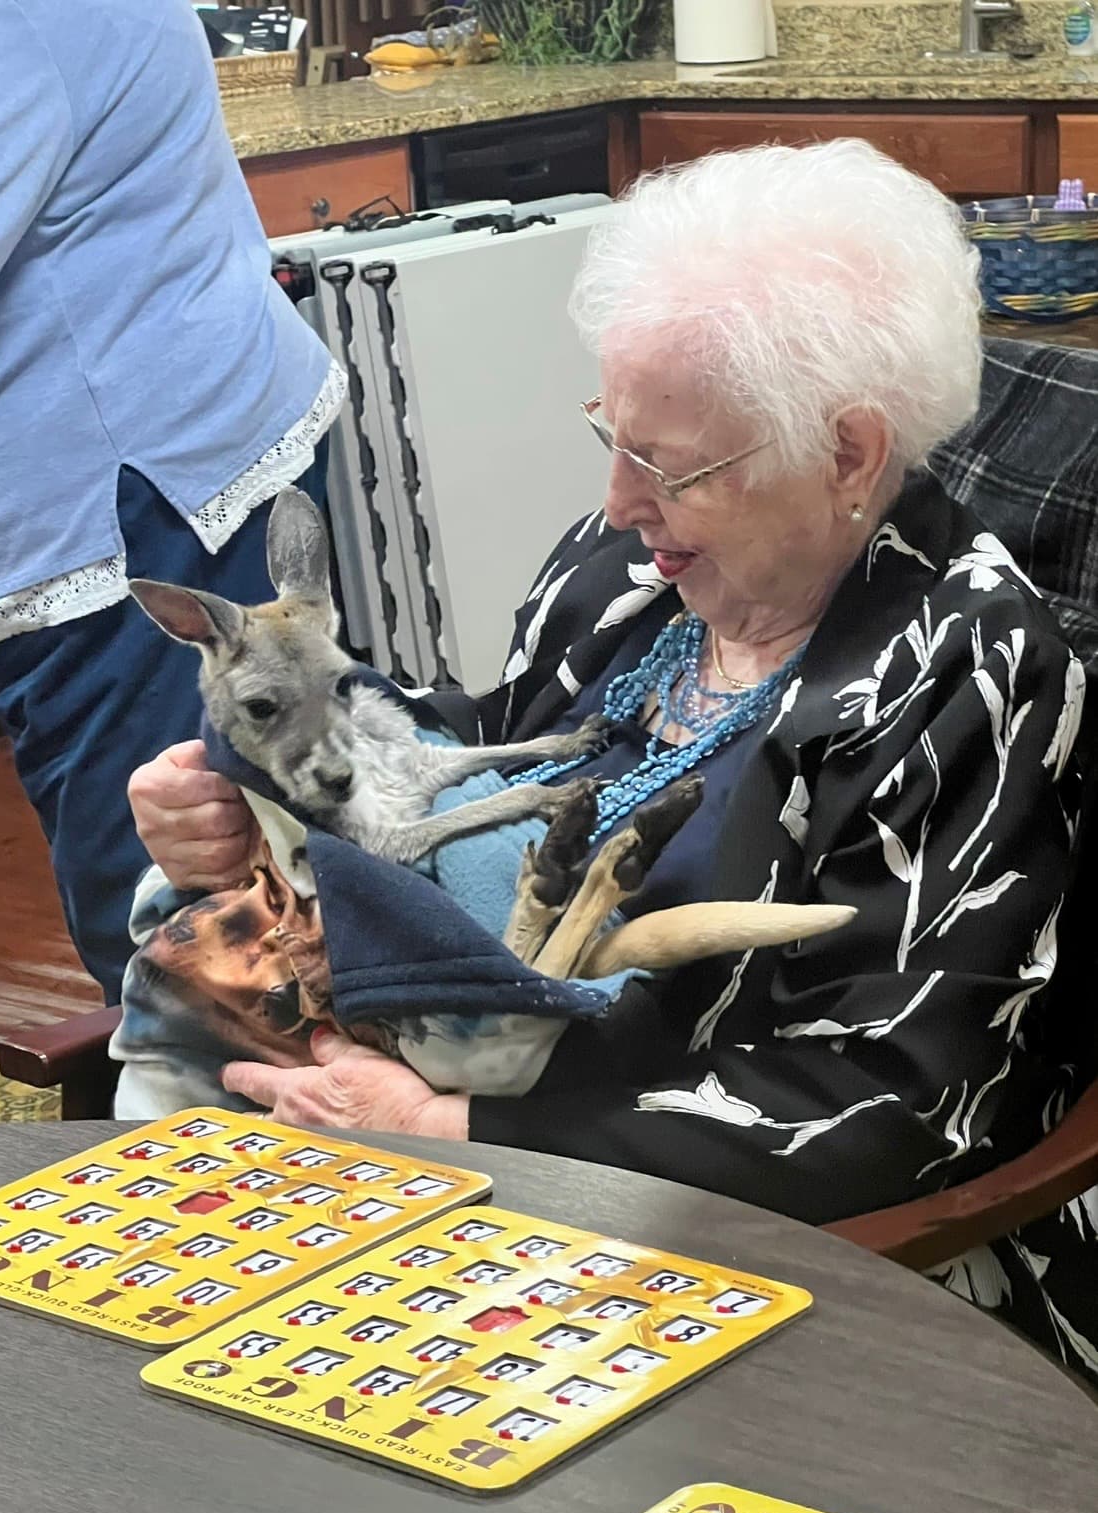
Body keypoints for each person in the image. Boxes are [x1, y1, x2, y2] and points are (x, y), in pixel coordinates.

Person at [128, 140, 1095, 1380]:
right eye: (613, 434)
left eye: (670, 463)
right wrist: (241, 782)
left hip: (768, 1270)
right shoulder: (629, 572)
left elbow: (892, 1099)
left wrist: (464, 1128)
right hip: (429, 1149)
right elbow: (467, 751)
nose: (618, 498)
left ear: (850, 455)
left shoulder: (967, 678)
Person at [0, 0, 342, 1003]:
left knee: (185, 925)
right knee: (219, 875)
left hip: (138, 498)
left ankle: (259, 1147)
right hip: (150, 467)